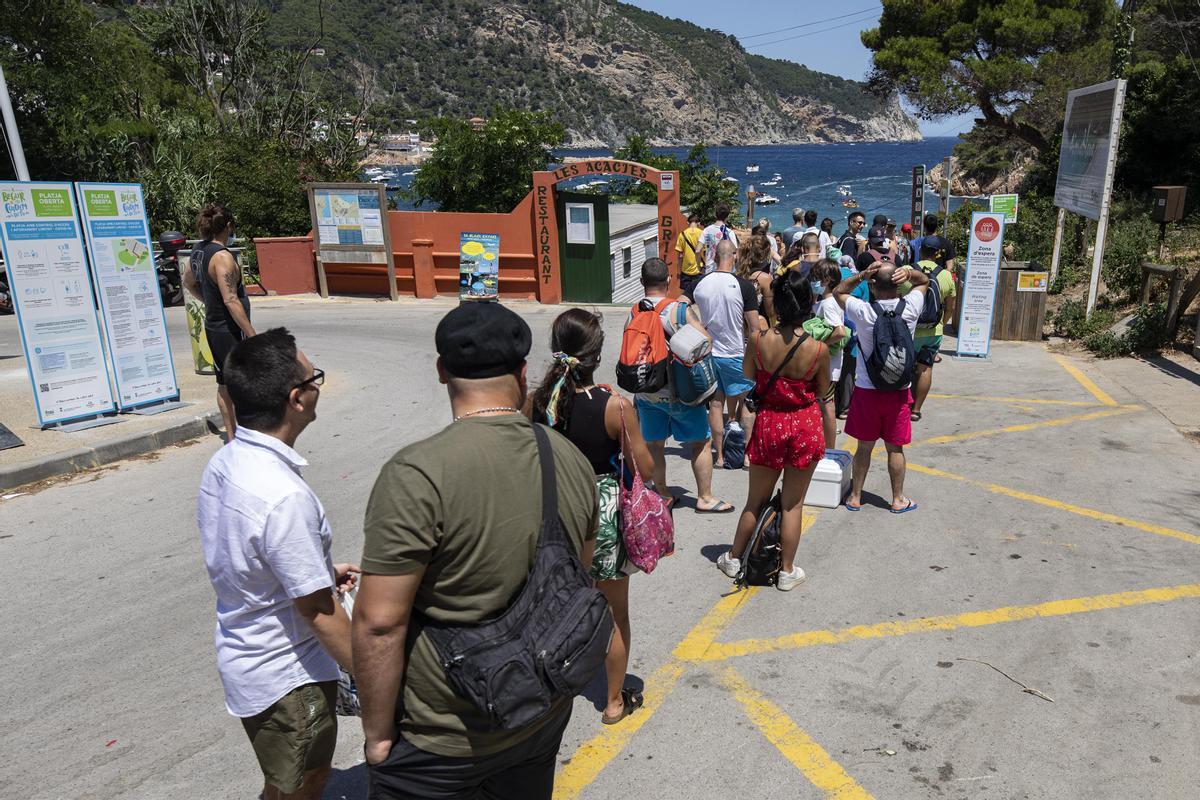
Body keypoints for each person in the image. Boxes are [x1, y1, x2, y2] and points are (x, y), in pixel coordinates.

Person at [354, 303, 599, 800]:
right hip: (540, 713)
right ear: (523, 371)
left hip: (444, 737)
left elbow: (380, 624)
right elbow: (580, 578)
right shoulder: (566, 456)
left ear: (442, 371)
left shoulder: (417, 474)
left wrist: (378, 736)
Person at [196, 328, 355, 800]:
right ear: (296, 399)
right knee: (301, 785)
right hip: (288, 676)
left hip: (250, 653)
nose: (316, 385)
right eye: (314, 378)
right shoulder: (283, 497)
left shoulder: (228, 461)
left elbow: (252, 557)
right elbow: (320, 613)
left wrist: (321, 575)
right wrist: (377, 684)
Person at [529, 309, 655, 725]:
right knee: (615, 610)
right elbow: (645, 469)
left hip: (554, 508)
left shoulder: (539, 402)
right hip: (601, 512)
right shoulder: (613, 406)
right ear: (596, 356)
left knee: (554, 604)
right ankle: (615, 701)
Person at [717, 270, 830, 590]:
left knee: (755, 500)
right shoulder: (818, 349)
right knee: (793, 504)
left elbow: (749, 373)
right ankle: (786, 571)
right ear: (808, 303)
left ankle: (734, 557)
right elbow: (821, 390)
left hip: (770, 423)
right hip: (804, 424)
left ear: (777, 304)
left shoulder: (758, 340)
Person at [630, 258, 733, 513]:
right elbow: (705, 341)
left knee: (655, 444)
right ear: (668, 281)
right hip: (682, 393)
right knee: (699, 443)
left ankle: (663, 492)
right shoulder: (678, 310)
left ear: (642, 282)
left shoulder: (634, 311)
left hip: (647, 392)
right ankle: (705, 498)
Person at [834, 263, 930, 514]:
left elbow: (838, 292)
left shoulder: (864, 311)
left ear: (873, 286)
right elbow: (924, 283)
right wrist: (911, 274)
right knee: (895, 448)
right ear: (898, 284)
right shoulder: (909, 308)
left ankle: (855, 496)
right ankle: (898, 499)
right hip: (898, 391)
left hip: (867, 389)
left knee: (864, 446)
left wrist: (861, 275)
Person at [183, 204, 255, 442]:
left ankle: (233, 436)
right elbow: (231, 299)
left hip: (213, 327)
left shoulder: (198, 251)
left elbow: (188, 282)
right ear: (228, 226)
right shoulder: (222, 257)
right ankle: (248, 436)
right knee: (243, 384)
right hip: (230, 330)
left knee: (224, 384)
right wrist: (252, 335)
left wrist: (208, 302)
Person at [687, 239, 761, 469]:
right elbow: (755, 327)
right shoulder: (744, 286)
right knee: (747, 403)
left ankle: (719, 456)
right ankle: (747, 455)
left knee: (716, 405)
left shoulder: (700, 283)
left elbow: (679, 305)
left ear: (714, 255)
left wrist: (697, 325)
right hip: (735, 353)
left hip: (708, 354)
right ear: (735, 255)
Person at [906, 240, 957, 421]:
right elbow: (950, 306)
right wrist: (942, 322)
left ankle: (903, 406)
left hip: (909, 330)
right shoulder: (945, 275)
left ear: (920, 250)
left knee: (905, 368)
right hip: (933, 331)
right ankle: (916, 410)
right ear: (938, 254)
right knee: (925, 369)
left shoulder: (906, 270)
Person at [809, 260, 847, 448]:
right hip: (825, 366)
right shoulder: (823, 301)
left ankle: (830, 449)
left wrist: (818, 345)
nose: (813, 281)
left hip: (828, 367)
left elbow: (840, 331)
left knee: (827, 407)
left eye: (816, 277)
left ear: (827, 279)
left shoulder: (829, 303)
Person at [833, 253, 870, 421]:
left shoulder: (833, 275)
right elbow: (866, 305)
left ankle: (830, 404)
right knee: (849, 370)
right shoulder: (861, 282)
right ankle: (845, 408)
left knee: (833, 368)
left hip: (833, 330)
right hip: (854, 332)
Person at [737, 233, 776, 327]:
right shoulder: (765, 279)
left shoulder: (738, 274)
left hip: (739, 326)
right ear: (763, 256)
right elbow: (770, 312)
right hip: (758, 327)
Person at [698, 203, 738, 272]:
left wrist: (698, 266)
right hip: (725, 270)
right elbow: (735, 254)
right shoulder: (729, 232)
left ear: (715, 214)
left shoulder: (706, 230)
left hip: (710, 270)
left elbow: (697, 250)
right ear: (727, 216)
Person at [674, 212, 704, 296]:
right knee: (699, 295)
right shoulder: (702, 233)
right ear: (698, 223)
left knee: (686, 296)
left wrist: (679, 270)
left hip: (685, 270)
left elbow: (680, 255)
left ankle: (686, 309)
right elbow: (705, 252)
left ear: (688, 222)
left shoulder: (682, 234)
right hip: (699, 270)